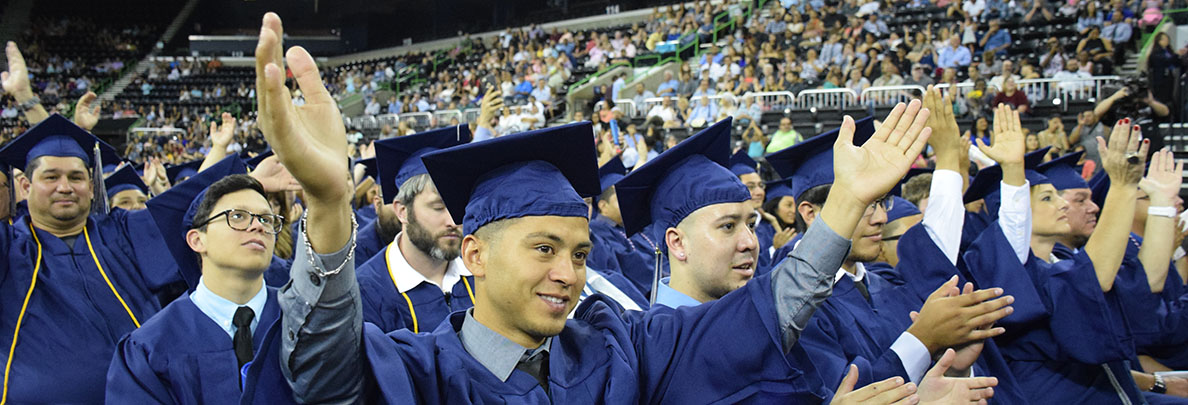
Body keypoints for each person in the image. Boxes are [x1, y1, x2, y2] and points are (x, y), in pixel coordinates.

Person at [243, 21, 993, 397]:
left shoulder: (616, 349)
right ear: (473, 255)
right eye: (544, 247)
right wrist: (331, 203)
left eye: (578, 250)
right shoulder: (415, 371)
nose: (569, 271)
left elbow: (759, 316)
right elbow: (318, 371)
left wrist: (842, 210)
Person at [767, 105, 1015, 401]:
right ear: (809, 213)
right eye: (865, 203)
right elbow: (841, 395)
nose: (881, 218)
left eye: (882, 202)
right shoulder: (789, 307)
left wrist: (953, 365)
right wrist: (923, 339)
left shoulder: (889, 285)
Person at [0, 114, 233, 403]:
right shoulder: (9, 248)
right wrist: (26, 99)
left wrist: (244, 169)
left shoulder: (123, 233)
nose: (65, 187)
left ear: (92, 184)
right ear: (25, 186)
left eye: (76, 177)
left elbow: (187, 208)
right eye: (51, 177)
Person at [107, 173, 288, 403]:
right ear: (197, 240)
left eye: (266, 219)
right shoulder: (149, 347)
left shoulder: (303, 321)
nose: (257, 226)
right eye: (238, 216)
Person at [356, 124, 474, 334]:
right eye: (438, 207)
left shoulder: (481, 272)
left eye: (459, 206)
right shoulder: (367, 291)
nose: (453, 221)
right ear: (402, 211)